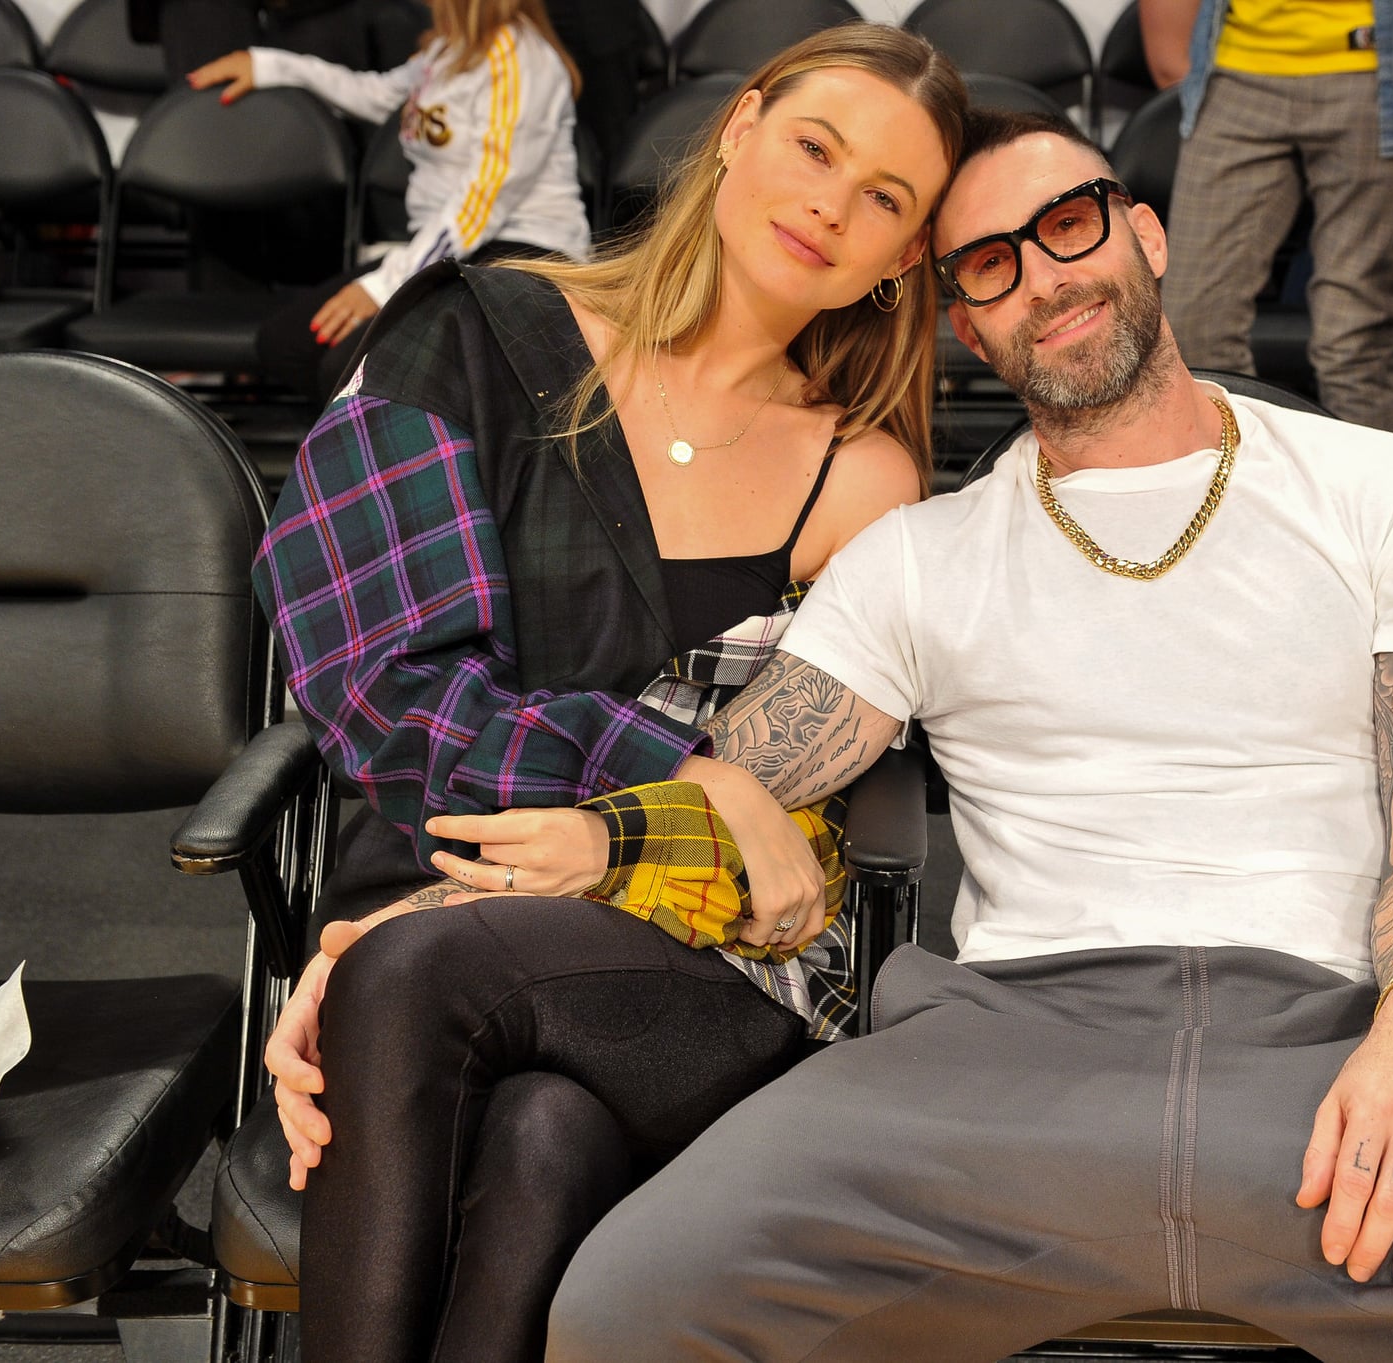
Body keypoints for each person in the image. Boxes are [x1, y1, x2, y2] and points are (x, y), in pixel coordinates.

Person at [399, 109, 1393, 1361]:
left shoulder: (1391, 487)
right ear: (967, 320)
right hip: (995, 1062)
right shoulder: (922, 553)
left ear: (1140, 231)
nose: (1044, 275)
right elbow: (721, 782)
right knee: (630, 1304)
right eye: (990, 265)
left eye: (1067, 223)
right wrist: (387, 945)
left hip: (1342, 1038)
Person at [245, 23, 965, 1363]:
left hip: (695, 971)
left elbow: (789, 839)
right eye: (816, 147)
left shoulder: (860, 478)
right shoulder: (468, 334)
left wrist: (708, 802)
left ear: (906, 256)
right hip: (425, 903)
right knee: (540, 1133)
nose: (831, 204)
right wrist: (695, 774)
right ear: (742, 125)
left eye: (887, 199)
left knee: (414, 971)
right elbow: (377, 691)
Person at [188, 0, 593, 403]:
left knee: (348, 368)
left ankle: (417, 453)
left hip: (525, 257)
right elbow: (374, 94)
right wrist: (270, 67)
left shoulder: (521, 58)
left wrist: (385, 286)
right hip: (454, 250)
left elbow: (483, 200)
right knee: (286, 345)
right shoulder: (446, 51)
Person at [1140, 0, 1393, 431]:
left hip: (1381, 70)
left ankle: (1367, 497)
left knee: (1352, 337)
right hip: (1234, 69)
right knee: (1195, 324)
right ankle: (1241, 486)